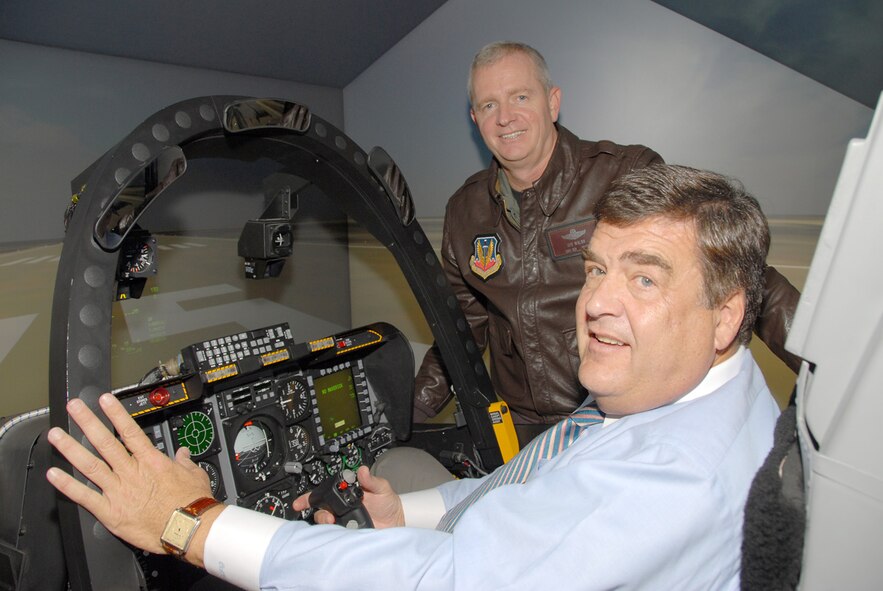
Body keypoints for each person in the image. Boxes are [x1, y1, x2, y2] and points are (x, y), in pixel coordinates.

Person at [47, 164, 780, 589]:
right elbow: (537, 491)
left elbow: (433, 583)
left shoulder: (666, 478)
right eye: (595, 268)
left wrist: (191, 521)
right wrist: (416, 512)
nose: (596, 303)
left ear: (724, 316)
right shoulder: (695, 393)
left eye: (644, 281)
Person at [414, 41, 800, 445]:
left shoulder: (624, 173)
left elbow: (738, 276)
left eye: (520, 97)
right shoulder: (465, 211)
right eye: (489, 105)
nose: (505, 117)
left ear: (553, 102)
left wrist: (826, 369)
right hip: (521, 428)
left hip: (617, 417)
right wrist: (405, 420)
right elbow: (459, 334)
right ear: (475, 118)